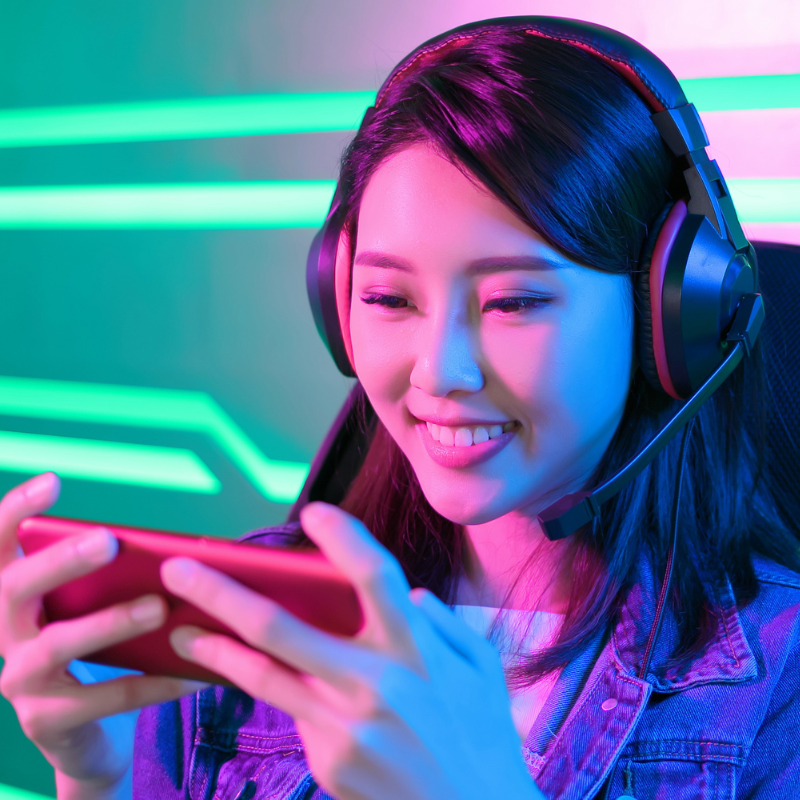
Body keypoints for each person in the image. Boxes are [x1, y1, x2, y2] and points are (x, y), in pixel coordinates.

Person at [1, 17, 799, 800]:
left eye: (513, 301)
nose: (439, 371)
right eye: (387, 296)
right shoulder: (249, 614)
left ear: (670, 315)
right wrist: (98, 777)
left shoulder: (776, 682)